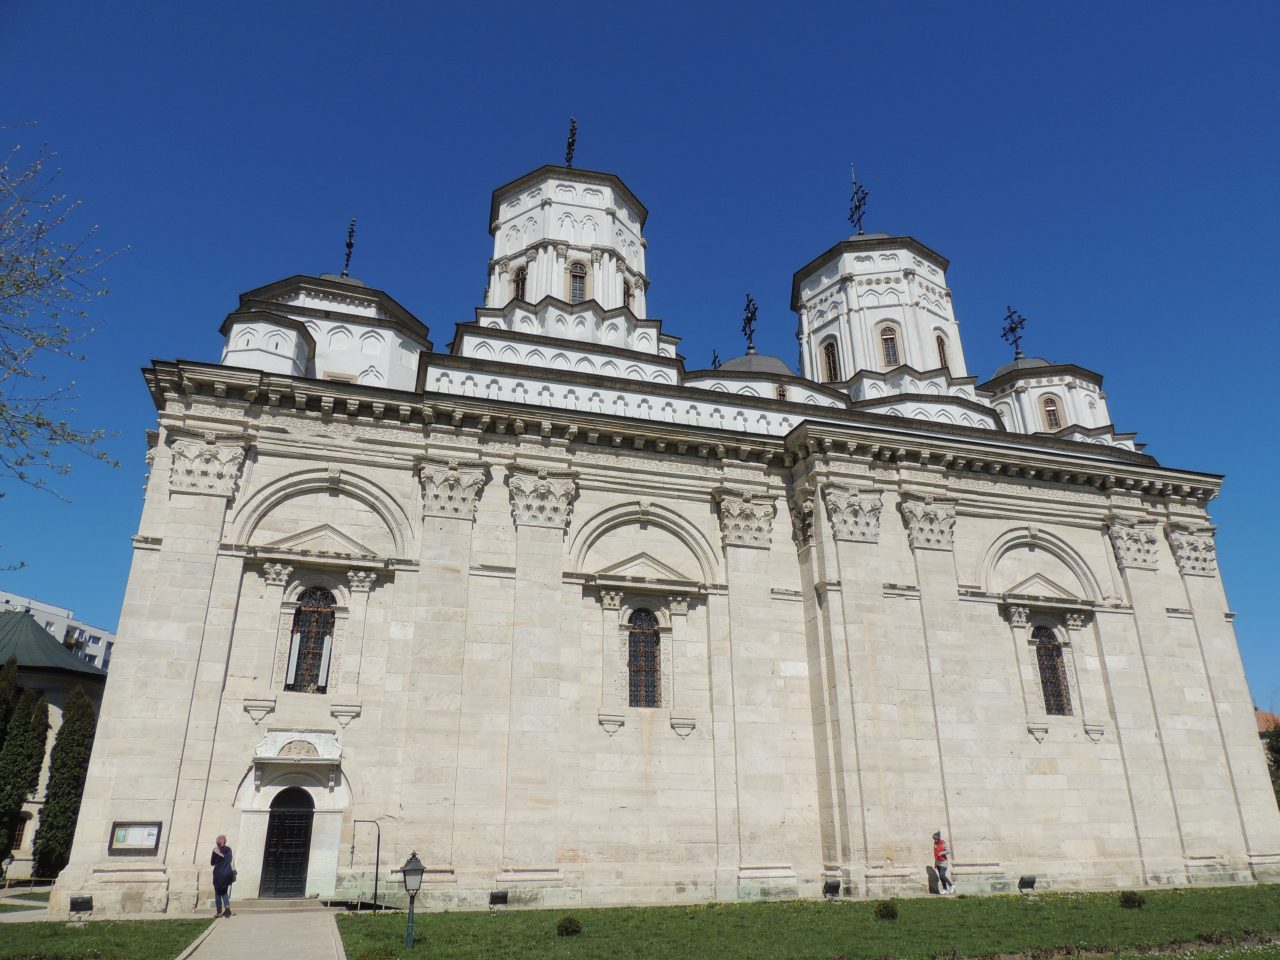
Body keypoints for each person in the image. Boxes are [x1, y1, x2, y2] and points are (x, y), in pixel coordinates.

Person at [211, 834, 235, 917]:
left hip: (218, 873)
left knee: (217, 893)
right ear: (225, 841)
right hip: (227, 873)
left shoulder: (215, 850)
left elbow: (212, 863)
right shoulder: (229, 849)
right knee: (224, 892)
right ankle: (227, 908)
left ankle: (219, 912)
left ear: (218, 842)